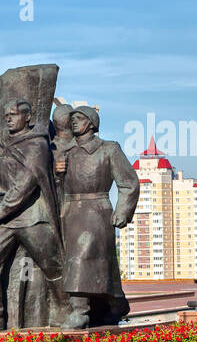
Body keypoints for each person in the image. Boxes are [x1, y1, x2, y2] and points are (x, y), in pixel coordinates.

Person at [0, 99, 65, 334]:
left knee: (52, 266)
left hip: (31, 215)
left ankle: (66, 308)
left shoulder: (37, 145)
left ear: (27, 117)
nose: (8, 118)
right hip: (5, 219)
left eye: (13, 114)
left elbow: (25, 185)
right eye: (6, 115)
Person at [55, 106, 139, 327]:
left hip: (96, 211)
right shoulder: (66, 153)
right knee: (98, 263)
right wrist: (58, 175)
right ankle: (116, 302)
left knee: (83, 258)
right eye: (72, 119)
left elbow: (129, 182)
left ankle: (79, 311)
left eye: (79, 118)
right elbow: (55, 189)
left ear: (92, 123)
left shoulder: (108, 149)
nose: (74, 122)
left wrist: (123, 211)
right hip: (71, 211)